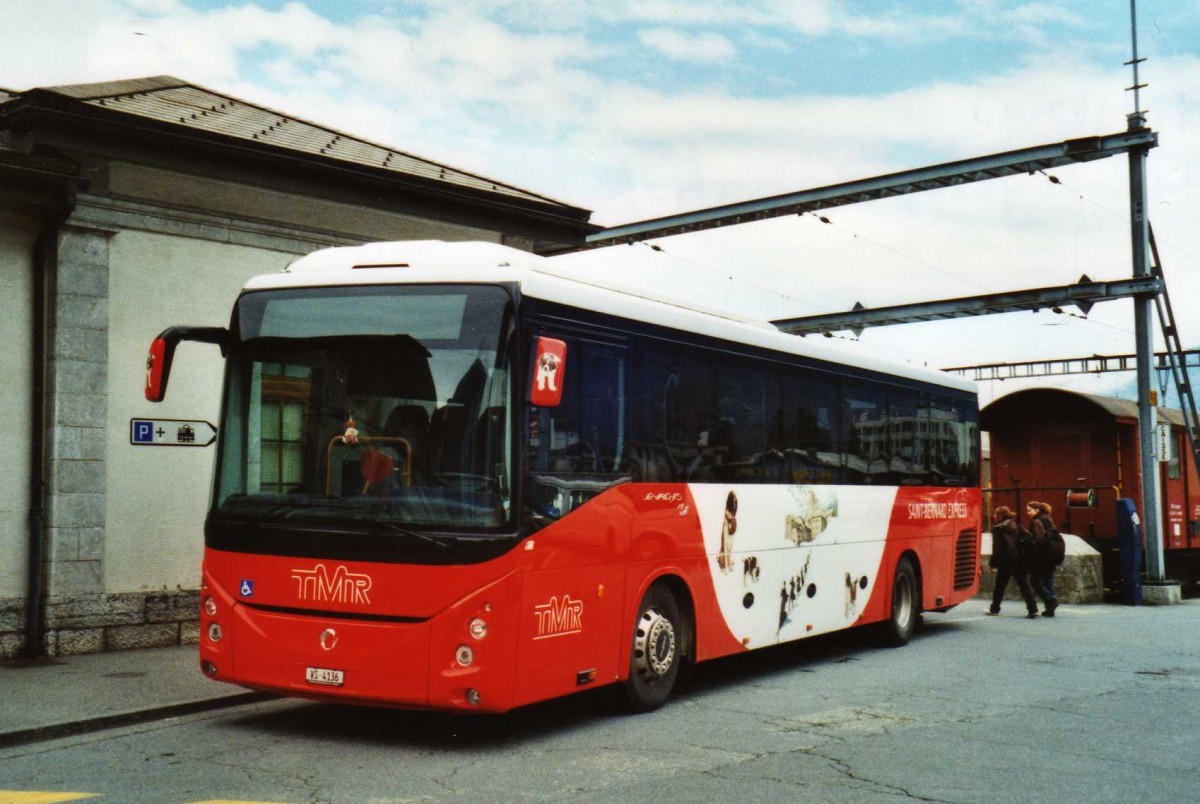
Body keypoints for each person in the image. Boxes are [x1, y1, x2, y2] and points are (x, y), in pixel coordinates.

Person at [986, 506, 1038, 619]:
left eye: (995, 514)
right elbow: (1029, 536)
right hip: (1019, 559)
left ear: (1000, 515)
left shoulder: (998, 528)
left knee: (999, 586)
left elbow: (997, 549)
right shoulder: (1016, 525)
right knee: (1024, 585)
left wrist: (993, 564)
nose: (994, 516)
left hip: (1005, 561)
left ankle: (994, 609)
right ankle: (1033, 609)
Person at [1026, 501, 1060, 617]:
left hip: (1041, 556)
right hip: (1051, 555)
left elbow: (1039, 539)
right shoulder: (1049, 519)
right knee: (1048, 581)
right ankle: (1050, 609)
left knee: (1035, 581)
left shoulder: (1037, 521)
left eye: (1029, 510)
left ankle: (1051, 600)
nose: (1028, 513)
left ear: (1037, 510)